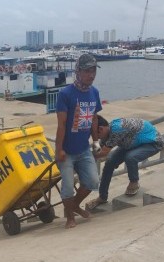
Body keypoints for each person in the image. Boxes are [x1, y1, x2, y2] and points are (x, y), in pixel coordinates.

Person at [55, 53, 103, 229]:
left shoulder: (94, 92)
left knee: (92, 181)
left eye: (93, 71)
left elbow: (94, 119)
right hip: (66, 150)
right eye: (87, 71)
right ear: (78, 71)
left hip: (83, 149)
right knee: (67, 186)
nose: (91, 75)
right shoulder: (65, 94)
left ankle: (74, 206)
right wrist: (59, 149)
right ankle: (70, 217)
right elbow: (61, 125)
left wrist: (96, 142)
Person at [86, 115, 164, 210]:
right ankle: (102, 197)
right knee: (110, 162)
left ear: (100, 129)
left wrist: (83, 158)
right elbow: (98, 150)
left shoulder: (117, 130)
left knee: (130, 157)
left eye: (96, 136)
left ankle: (134, 182)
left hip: (152, 142)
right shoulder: (107, 131)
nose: (96, 139)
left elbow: (103, 152)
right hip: (132, 143)